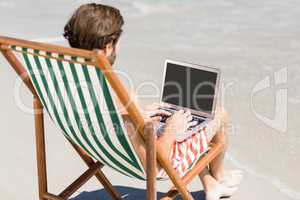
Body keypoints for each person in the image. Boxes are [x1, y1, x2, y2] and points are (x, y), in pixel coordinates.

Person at [63, 3, 243, 200]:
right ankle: (218, 176)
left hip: (103, 151)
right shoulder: (120, 97)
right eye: (118, 41)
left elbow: (118, 122)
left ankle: (211, 184)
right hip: (157, 159)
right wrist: (170, 129)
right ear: (107, 47)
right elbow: (155, 166)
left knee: (182, 121)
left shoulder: (67, 84)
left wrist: (139, 117)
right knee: (217, 114)